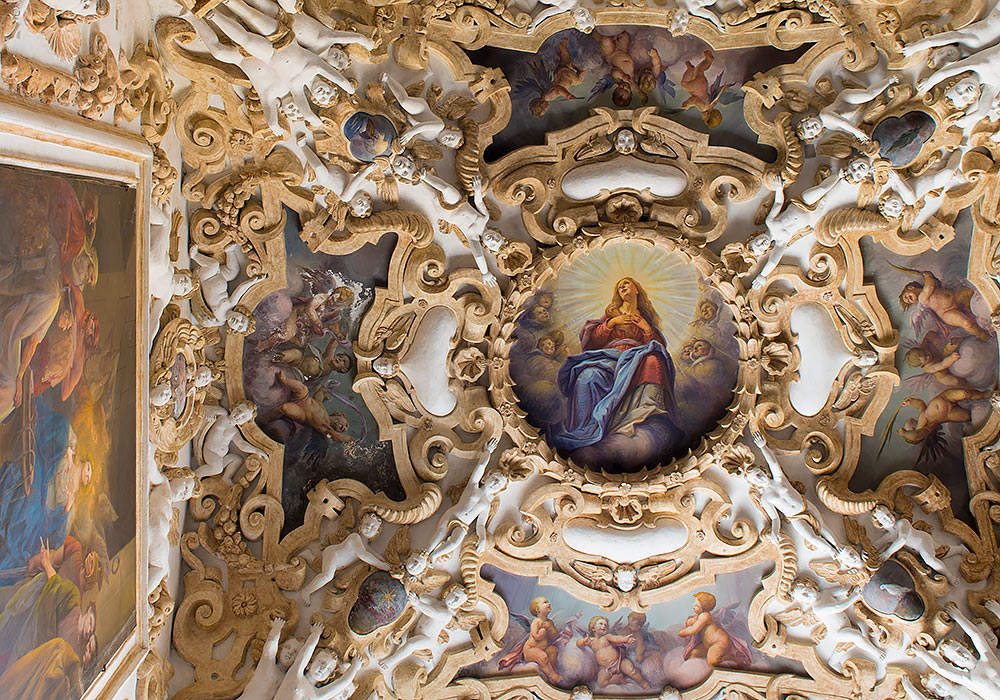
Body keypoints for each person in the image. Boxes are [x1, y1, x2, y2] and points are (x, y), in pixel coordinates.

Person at [551, 277, 681, 470]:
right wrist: (612, 323)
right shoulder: (612, 314)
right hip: (610, 358)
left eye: (627, 284)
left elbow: (658, 346)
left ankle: (647, 412)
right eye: (619, 286)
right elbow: (593, 340)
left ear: (637, 290)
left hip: (637, 358)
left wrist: (647, 330)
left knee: (654, 359)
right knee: (587, 376)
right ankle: (585, 427)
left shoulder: (645, 317)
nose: (622, 287)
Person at [677, 592, 753, 668]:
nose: (693, 605)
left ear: (704, 609)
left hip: (719, 641)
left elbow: (694, 630)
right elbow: (690, 622)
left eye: (697, 605)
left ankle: (728, 657)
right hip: (707, 644)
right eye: (694, 603)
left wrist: (682, 633)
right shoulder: (699, 615)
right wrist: (690, 621)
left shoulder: (705, 616)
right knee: (693, 654)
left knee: (712, 661)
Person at [577, 615, 651, 689]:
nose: (604, 626)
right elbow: (578, 644)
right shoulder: (591, 641)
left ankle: (643, 682)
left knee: (631, 670)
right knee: (601, 683)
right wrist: (583, 641)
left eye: (605, 625)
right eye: (601, 624)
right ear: (593, 628)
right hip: (605, 667)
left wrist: (625, 639)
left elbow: (616, 639)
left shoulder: (606, 637)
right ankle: (618, 679)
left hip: (619, 661)